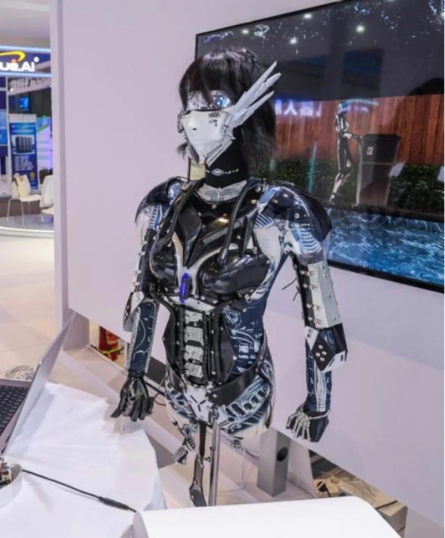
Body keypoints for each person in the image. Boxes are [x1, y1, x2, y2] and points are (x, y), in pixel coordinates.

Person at [111, 48, 348, 506]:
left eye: (213, 102)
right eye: (191, 105)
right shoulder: (165, 201)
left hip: (245, 394)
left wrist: (318, 404)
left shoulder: (281, 210)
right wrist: (135, 373)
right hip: (176, 389)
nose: (196, 116)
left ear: (247, 110)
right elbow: (143, 298)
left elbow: (322, 321)